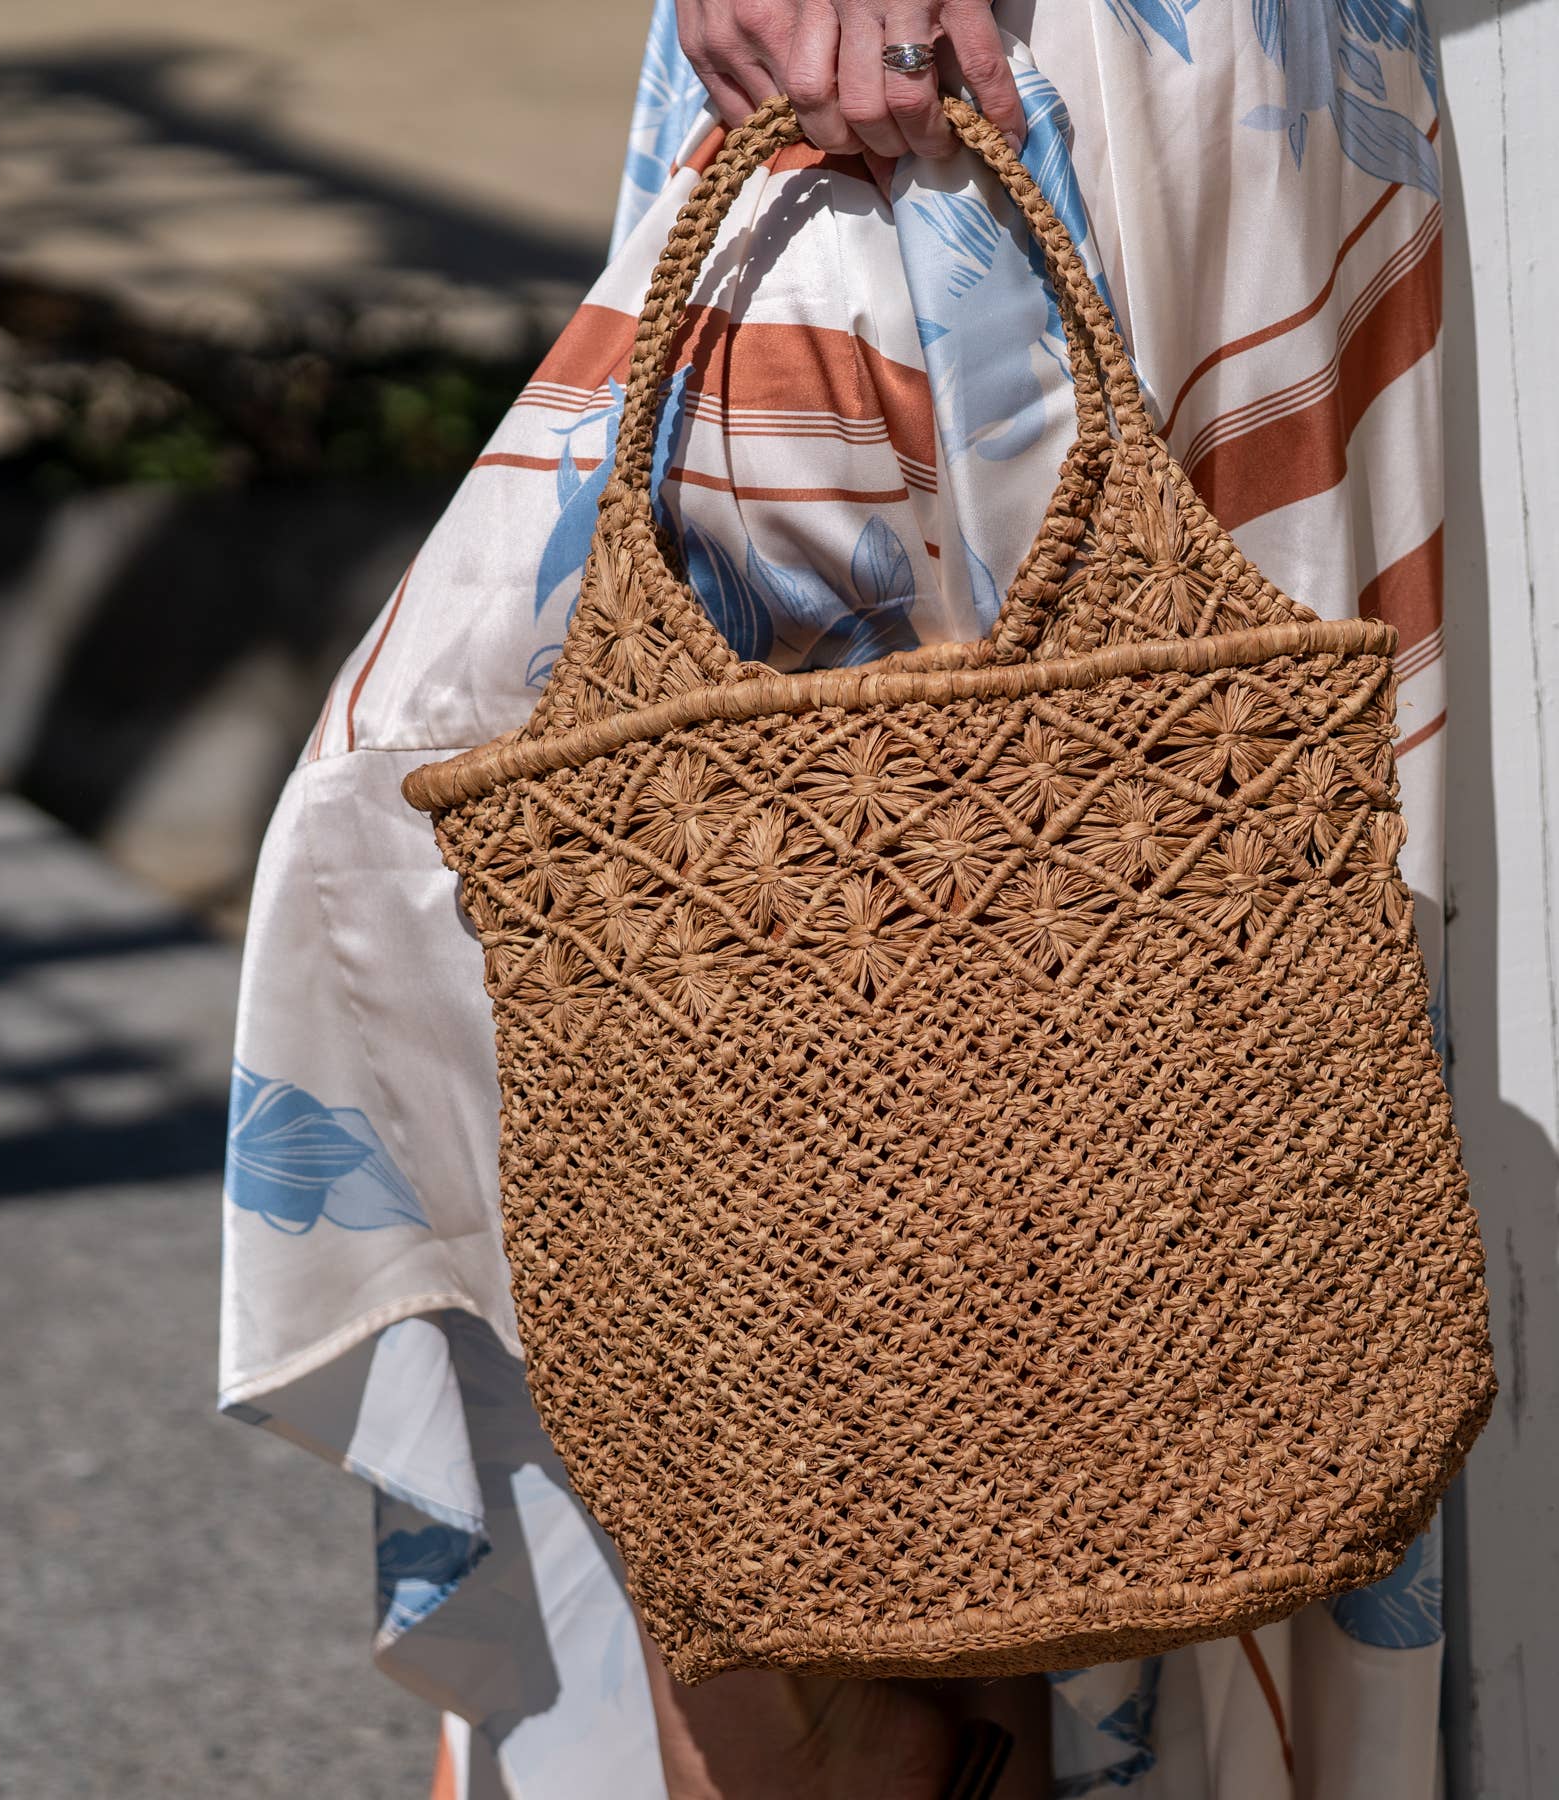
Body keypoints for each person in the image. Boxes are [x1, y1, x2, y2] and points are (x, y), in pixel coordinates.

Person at [220, 3, 1451, 1795]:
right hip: (882, 71)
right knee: (823, 910)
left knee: (1055, 930)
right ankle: (842, 1665)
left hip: (1066, 71)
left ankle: (866, 1687)